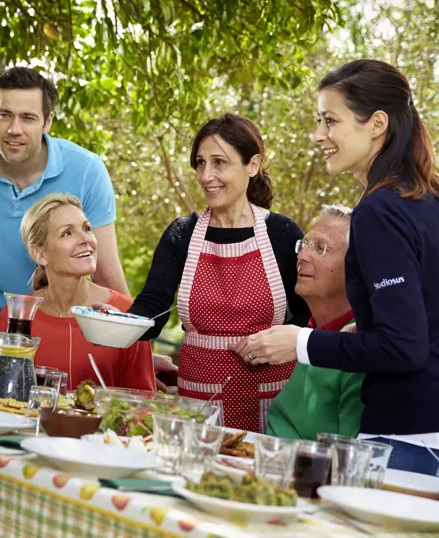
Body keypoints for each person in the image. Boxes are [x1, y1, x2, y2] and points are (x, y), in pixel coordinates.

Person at [234, 59, 439, 474]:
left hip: (420, 440)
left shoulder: (379, 210)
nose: (318, 136)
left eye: (330, 121)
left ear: (377, 123)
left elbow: (403, 347)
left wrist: (300, 343)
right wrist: (363, 329)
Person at [125, 113, 310, 433]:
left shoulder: (282, 234)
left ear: (252, 165)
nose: (206, 175)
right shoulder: (181, 235)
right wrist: (112, 324)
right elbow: (151, 312)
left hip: (273, 406)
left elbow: (310, 319)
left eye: (219, 162)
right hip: (198, 406)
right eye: (200, 163)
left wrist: (278, 343)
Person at [0, 67, 129, 352]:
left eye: (28, 118)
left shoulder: (87, 170)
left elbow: (106, 273)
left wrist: (135, 346)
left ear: (47, 122)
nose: (14, 129)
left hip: (58, 323)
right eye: (5, 114)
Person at [0, 194, 156, 391]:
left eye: (86, 228)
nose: (85, 239)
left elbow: (142, 402)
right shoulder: (16, 314)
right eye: (67, 233)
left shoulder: (126, 314)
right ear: (40, 253)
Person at [266, 205, 364, 440]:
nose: (301, 257)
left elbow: (349, 458)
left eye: (321, 248)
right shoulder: (309, 332)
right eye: (304, 245)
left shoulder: (362, 344)